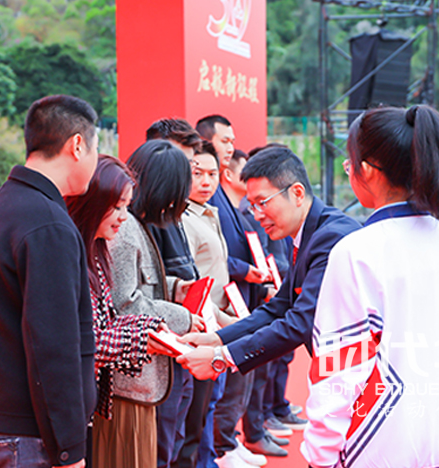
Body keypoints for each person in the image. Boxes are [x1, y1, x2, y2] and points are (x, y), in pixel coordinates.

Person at [301, 105, 439, 468]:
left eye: (349, 165)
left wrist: (320, 456)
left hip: (378, 450)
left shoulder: (356, 252)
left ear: (366, 170)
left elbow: (338, 370)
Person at [0, 95, 99, 468]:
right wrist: (69, 447)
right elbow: (53, 345)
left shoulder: (0, 206)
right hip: (29, 434)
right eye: (95, 148)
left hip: (0, 420)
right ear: (77, 145)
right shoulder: (47, 222)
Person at [176, 146, 361, 405]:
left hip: (362, 375)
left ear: (297, 193)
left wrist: (222, 357)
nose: (257, 215)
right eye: (252, 206)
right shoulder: (311, 233)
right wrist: (217, 338)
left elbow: (300, 321)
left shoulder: (330, 238)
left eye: (263, 202)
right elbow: (279, 307)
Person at [107, 139, 205, 468]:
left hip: (146, 374)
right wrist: (183, 317)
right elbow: (126, 304)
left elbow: (141, 286)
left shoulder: (138, 224)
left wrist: (175, 288)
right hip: (134, 378)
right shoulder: (125, 230)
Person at [65, 155, 167, 468]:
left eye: (126, 206)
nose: (124, 218)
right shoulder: (71, 252)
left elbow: (105, 322)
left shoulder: (96, 249)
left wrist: (147, 328)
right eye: (117, 206)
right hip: (70, 405)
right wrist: (142, 337)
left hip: (88, 399)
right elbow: (87, 342)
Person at [196, 115, 285, 466]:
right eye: (225, 141)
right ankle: (221, 446)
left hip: (239, 304)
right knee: (213, 392)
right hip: (214, 309)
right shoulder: (205, 204)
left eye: (233, 141)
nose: (231, 147)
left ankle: (227, 442)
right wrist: (248, 271)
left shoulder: (226, 205)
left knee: (235, 382)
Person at [181, 141, 266, 468]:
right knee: (198, 408)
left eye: (212, 174)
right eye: (197, 173)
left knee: (211, 401)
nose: (206, 181)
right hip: (201, 323)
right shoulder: (183, 219)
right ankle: (212, 456)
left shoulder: (210, 213)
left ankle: (215, 455)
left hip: (219, 317)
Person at [144, 119, 203, 468]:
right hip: (159, 345)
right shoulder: (139, 218)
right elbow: (135, 294)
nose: (187, 175)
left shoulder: (174, 211)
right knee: (162, 440)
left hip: (184, 336)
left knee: (179, 431)